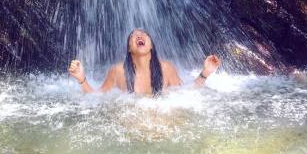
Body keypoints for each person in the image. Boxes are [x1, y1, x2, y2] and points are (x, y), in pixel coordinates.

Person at [68, 28, 221, 95]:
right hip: (131, 135)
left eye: (143, 35)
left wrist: (205, 73)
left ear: (151, 45)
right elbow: (97, 96)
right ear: (129, 48)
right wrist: (81, 79)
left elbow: (186, 92)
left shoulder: (166, 68)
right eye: (133, 36)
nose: (139, 36)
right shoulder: (118, 71)